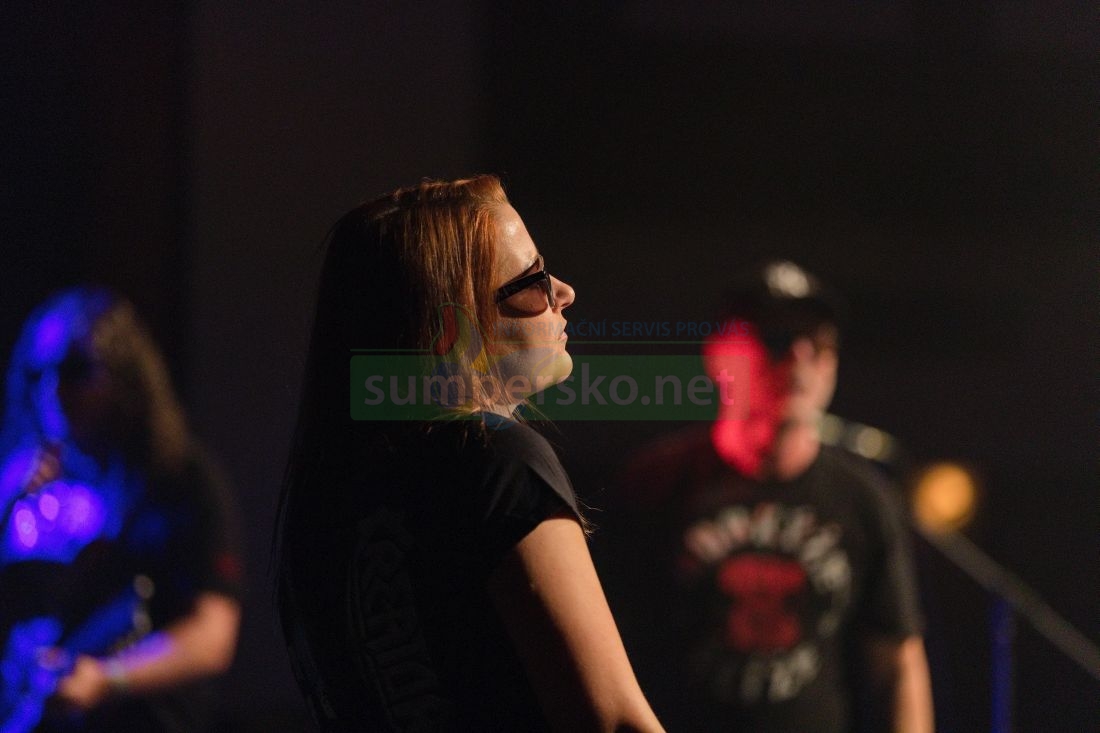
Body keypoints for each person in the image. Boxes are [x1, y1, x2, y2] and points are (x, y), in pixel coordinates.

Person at [274, 175, 663, 732]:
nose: (564, 292)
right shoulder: (497, 461)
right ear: (448, 331)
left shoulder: (326, 496)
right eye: (531, 280)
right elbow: (612, 721)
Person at [599, 261, 933, 732]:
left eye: (818, 345)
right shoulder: (652, 484)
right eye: (776, 339)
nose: (799, 357)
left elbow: (897, 662)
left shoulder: (864, 498)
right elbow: (603, 653)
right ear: (720, 358)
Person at [0, 287, 242, 732]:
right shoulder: (24, 480)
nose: (53, 390)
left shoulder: (178, 479)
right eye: (37, 373)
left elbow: (213, 635)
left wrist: (107, 679)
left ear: (124, 376)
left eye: (75, 370)